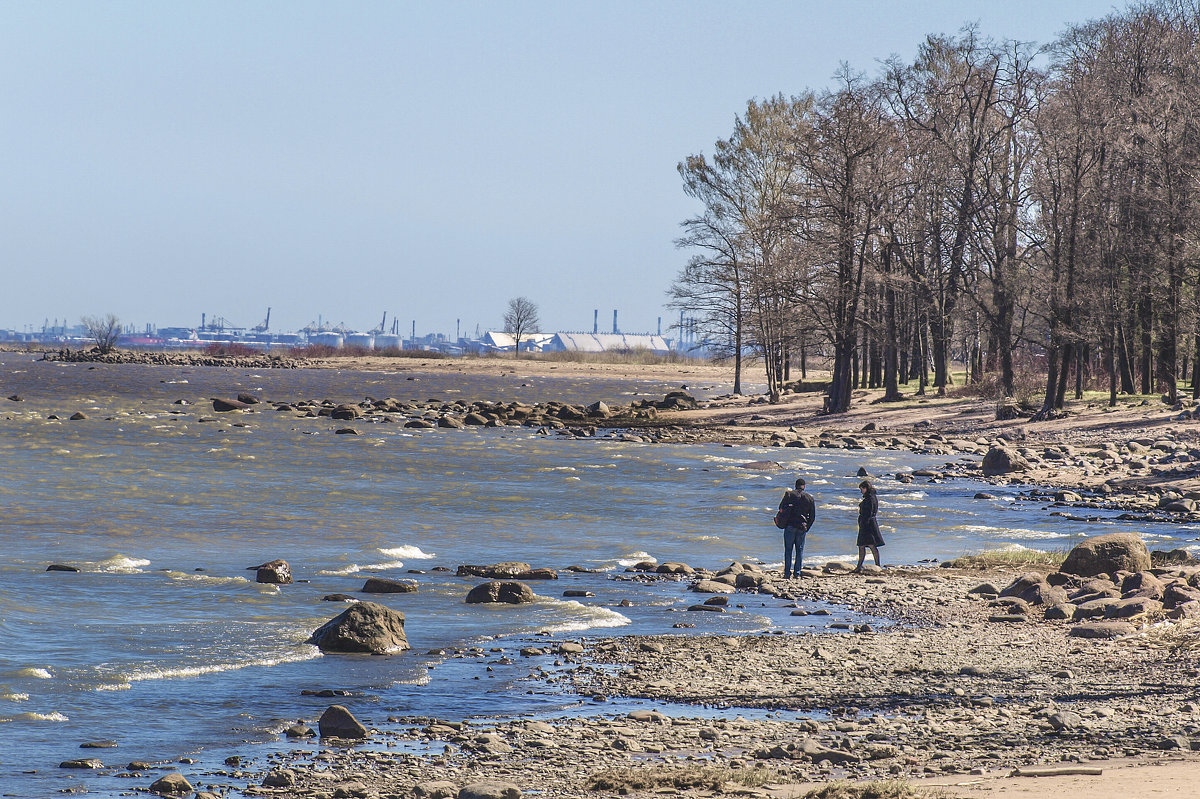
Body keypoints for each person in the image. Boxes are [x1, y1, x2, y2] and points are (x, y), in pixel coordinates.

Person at [777, 477, 816, 579]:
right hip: (802, 527)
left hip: (790, 526)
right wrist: (807, 527)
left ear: (795, 485)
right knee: (799, 551)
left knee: (788, 550)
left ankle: (787, 573)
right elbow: (812, 516)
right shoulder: (809, 498)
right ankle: (797, 573)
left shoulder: (789, 494)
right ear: (804, 486)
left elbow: (780, 508)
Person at [854, 480, 884, 572]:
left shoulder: (869, 498)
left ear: (865, 488)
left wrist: (864, 523)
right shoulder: (872, 497)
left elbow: (868, 512)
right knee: (869, 545)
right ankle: (876, 565)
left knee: (865, 545)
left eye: (861, 489)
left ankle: (860, 566)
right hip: (870, 523)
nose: (861, 491)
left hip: (867, 524)